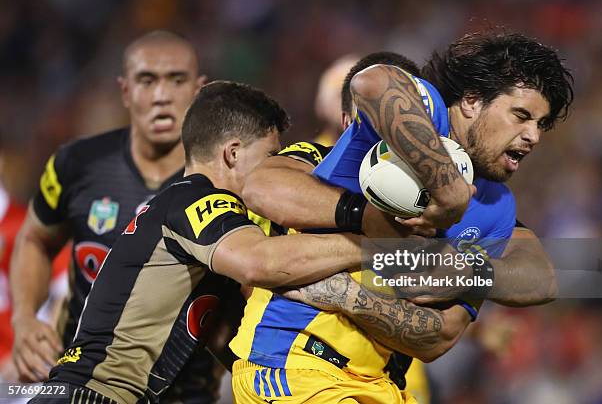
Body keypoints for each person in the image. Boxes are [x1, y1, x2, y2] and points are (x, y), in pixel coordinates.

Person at [231, 31, 573, 403]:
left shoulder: (495, 206)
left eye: (541, 125)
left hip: (385, 387)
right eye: (521, 116)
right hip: (294, 367)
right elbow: (374, 81)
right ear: (472, 100)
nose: (533, 136)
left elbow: (441, 336)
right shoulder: (418, 119)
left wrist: (348, 296)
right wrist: (446, 190)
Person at [27, 80, 375, 404]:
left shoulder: (202, 238)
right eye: (271, 157)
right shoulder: (194, 200)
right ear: (232, 154)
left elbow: (233, 342)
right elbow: (262, 261)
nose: (276, 170)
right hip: (93, 394)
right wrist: (374, 244)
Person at [8, 30, 226, 402]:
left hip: (188, 392)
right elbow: (35, 239)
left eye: (176, 80)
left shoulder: (225, 181)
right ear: (125, 91)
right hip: (83, 387)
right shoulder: (76, 164)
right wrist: (25, 318)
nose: (161, 96)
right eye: (147, 80)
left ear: (198, 89)